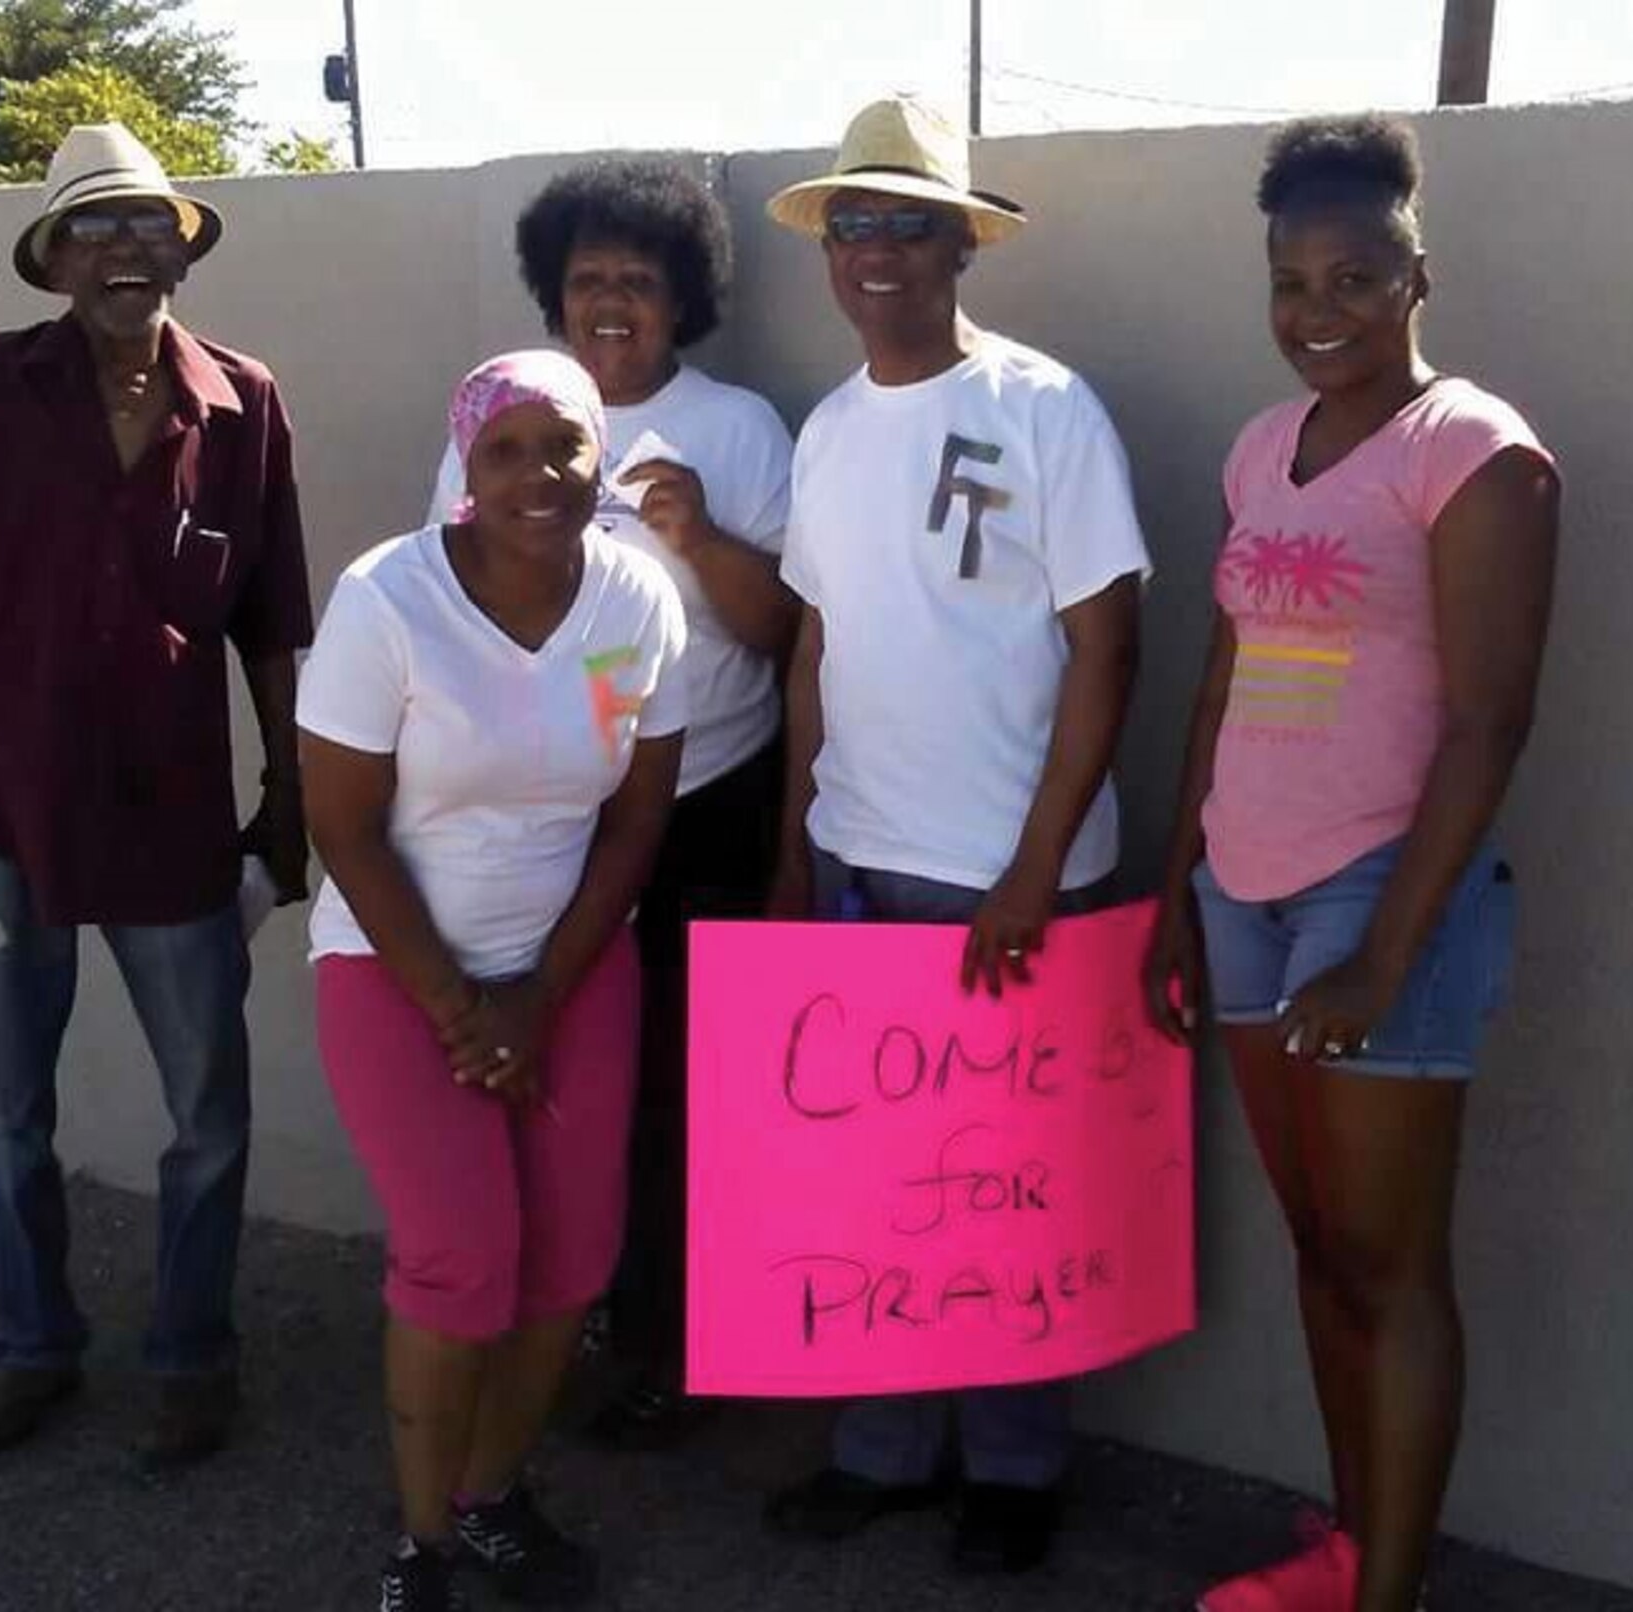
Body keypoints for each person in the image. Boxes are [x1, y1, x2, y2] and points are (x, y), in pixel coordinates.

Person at [0, 122, 314, 1466]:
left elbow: (271, 617)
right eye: (93, 229)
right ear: (51, 261)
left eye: (148, 226)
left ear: (181, 250)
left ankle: (193, 1355)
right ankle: (36, 1348)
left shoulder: (243, 401)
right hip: (7, 813)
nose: (125, 252)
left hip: (175, 819)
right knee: (5, 1110)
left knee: (209, 1117)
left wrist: (289, 794)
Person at [1141, 115, 1559, 1612]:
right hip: (1241, 900)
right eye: (1291, 281)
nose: (1318, 311)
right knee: (1322, 1253)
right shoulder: (1265, 447)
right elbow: (1226, 680)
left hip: (1384, 897)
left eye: (1354, 278)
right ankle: (1345, 1550)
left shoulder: (1473, 452)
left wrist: (1385, 954)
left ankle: (1392, 1595)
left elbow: (1489, 721)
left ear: (1415, 276)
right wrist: (1179, 890)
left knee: (1394, 1270)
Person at [758, 95, 1150, 1575]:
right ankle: (882, 1453)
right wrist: (801, 845)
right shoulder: (831, 430)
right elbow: (815, 651)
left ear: (960, 245)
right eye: (851, 223)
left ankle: (1015, 1468)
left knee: (1006, 1199)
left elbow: (1109, 650)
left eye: (905, 222)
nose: (874, 250)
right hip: (860, 865)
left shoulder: (1049, 409)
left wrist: (1037, 870)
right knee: (880, 1196)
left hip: (1008, 883)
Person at [304, 351, 688, 1611]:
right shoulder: (389, 599)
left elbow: (633, 819)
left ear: (599, 457)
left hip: (569, 970)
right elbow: (345, 827)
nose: (538, 474)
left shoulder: (634, 599)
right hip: (395, 971)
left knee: (570, 1261)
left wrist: (535, 998)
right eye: (504, 450)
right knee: (462, 1257)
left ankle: (489, 1496)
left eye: (562, 446)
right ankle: (419, 1545)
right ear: (464, 467)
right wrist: (466, 1012)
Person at [429, 159, 796, 1445]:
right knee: (571, 1079)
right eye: (587, 278)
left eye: (638, 280)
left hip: (706, 805)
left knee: (691, 1092)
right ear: (552, 292)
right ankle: (572, 1319)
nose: (610, 301)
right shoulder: (507, 414)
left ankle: (675, 1345)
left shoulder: (739, 426)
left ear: (682, 297)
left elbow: (787, 631)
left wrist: (696, 539)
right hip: (556, 823)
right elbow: (448, 600)